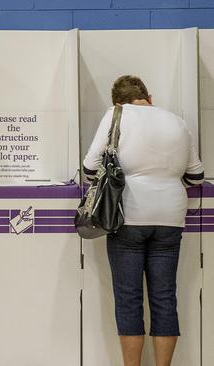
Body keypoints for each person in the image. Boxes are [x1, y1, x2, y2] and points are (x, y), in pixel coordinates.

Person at [83, 75, 204, 366]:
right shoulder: (176, 121)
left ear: (118, 101)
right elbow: (196, 175)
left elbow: (90, 166)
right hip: (171, 218)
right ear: (149, 97)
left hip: (129, 216)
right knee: (164, 298)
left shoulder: (116, 114)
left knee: (129, 300)